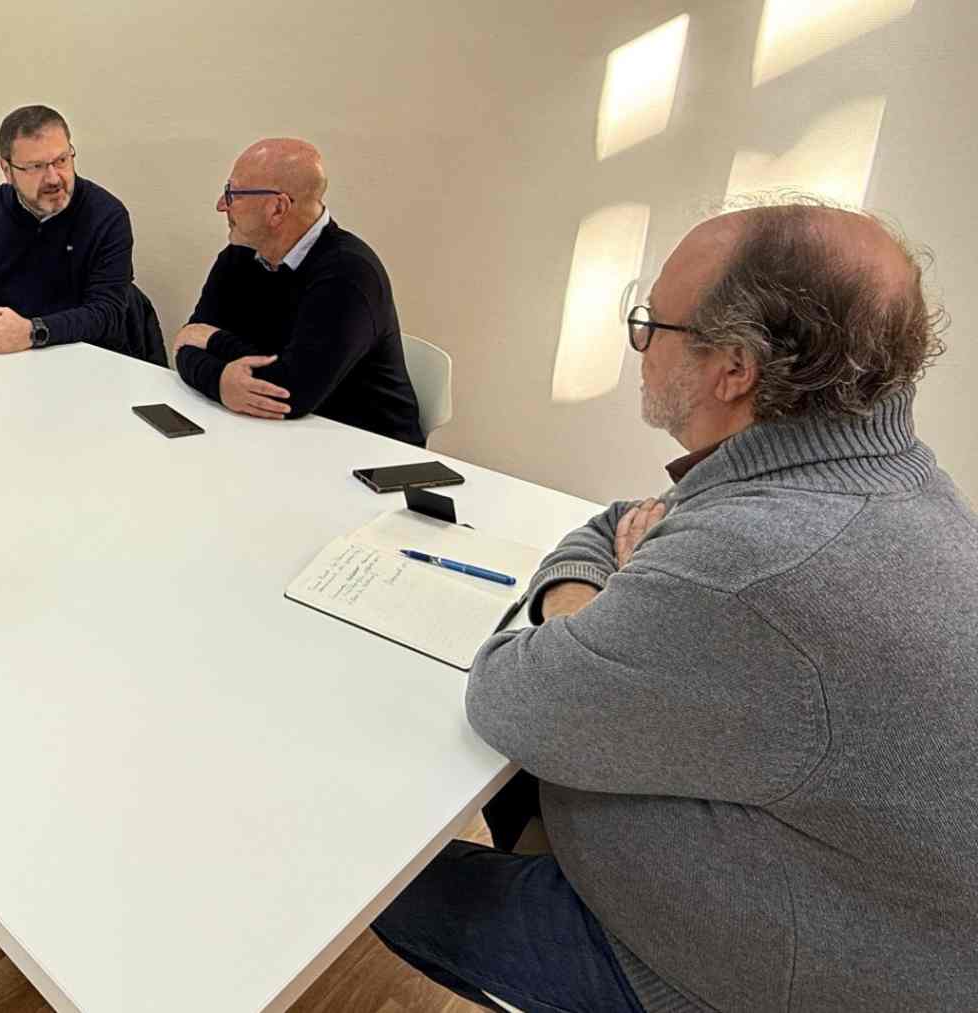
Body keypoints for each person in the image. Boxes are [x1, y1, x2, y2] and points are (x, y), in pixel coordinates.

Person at [372, 201, 978, 1012]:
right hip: (853, 908)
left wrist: (600, 602)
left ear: (733, 368)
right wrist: (623, 589)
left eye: (650, 322)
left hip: (747, 978)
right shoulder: (883, 478)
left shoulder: (755, 564)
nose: (641, 346)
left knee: (375, 874)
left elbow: (508, 691)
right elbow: (613, 522)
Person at [172, 138, 424, 444]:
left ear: (277, 208)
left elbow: (289, 394)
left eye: (232, 193)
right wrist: (222, 378)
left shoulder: (349, 274)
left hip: (366, 453)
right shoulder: (239, 256)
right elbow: (185, 346)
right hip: (277, 436)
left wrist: (214, 349)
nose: (221, 205)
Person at [0, 104, 163, 364]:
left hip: (93, 359)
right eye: (36, 167)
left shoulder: (106, 215)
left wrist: (32, 331)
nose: (53, 178)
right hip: (16, 359)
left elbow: (105, 314)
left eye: (62, 160)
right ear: (7, 170)